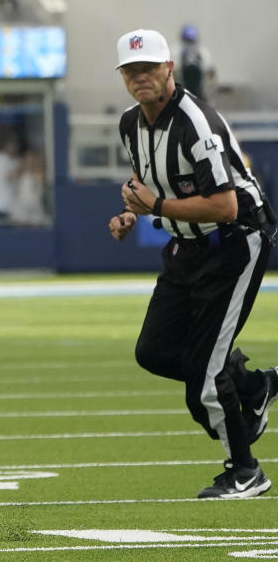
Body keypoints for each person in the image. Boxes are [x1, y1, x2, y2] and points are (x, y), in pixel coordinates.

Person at [108, 28, 278, 499]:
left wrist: (155, 207)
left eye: (149, 68)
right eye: (131, 70)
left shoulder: (195, 122)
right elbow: (148, 180)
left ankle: (245, 470)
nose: (141, 77)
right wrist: (130, 212)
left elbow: (224, 206)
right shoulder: (130, 123)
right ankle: (252, 384)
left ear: (169, 69)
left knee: (203, 377)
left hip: (233, 242)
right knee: (155, 352)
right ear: (122, 76)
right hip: (186, 248)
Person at [176, 23, 215, 103]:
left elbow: (210, 73)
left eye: (191, 41)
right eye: (187, 41)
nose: (190, 44)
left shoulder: (203, 53)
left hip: (200, 92)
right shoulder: (176, 52)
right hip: (181, 91)